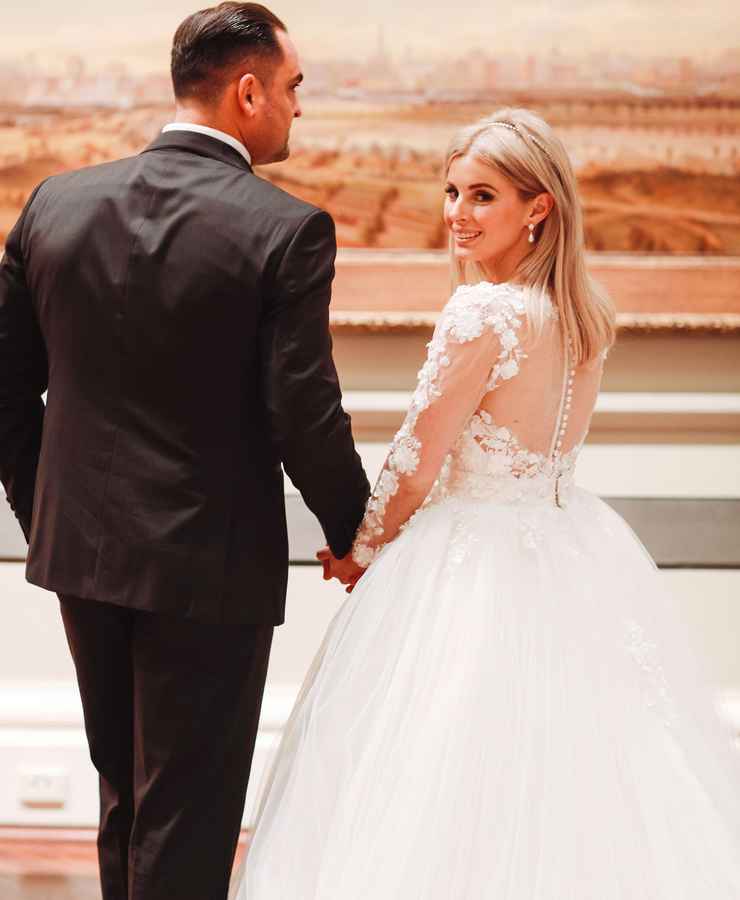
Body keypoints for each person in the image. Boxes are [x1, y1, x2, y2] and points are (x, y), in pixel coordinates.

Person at [233, 108, 740, 898]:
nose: (456, 215)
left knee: (442, 773)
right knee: (578, 772)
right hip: (569, 548)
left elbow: (416, 457)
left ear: (537, 208)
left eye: (482, 197)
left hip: (471, 563)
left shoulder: (484, 312)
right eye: (451, 192)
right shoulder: (585, 317)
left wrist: (360, 549)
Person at [0, 4, 369, 899]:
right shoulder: (285, 229)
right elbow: (303, 412)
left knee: (124, 802)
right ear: (247, 93)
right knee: (187, 821)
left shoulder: (58, 201)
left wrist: (44, 512)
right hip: (208, 569)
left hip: (81, 557)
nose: (295, 109)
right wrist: (360, 529)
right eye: (291, 89)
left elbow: (8, 388)